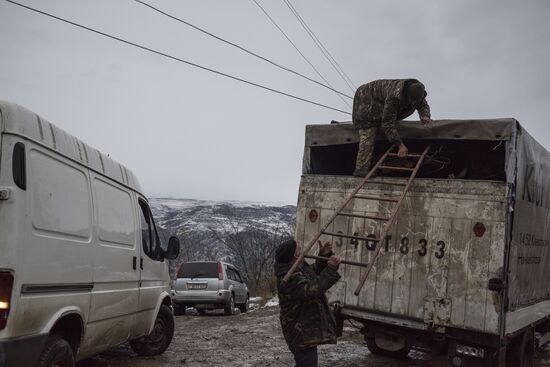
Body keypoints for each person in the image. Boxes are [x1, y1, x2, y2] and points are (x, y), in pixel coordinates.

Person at [274, 239, 341, 367]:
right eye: (299, 248)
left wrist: (323, 256)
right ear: (295, 255)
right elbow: (312, 289)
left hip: (305, 331)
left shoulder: (298, 268)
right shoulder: (288, 278)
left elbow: (313, 272)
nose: (303, 250)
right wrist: (331, 269)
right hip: (299, 332)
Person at [352, 78, 432, 177]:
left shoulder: (418, 92)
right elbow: (387, 124)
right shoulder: (393, 97)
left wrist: (425, 115)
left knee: (387, 120)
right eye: (411, 101)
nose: (413, 104)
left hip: (380, 98)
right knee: (369, 131)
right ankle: (361, 170)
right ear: (407, 95)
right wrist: (400, 145)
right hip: (366, 100)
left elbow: (423, 105)